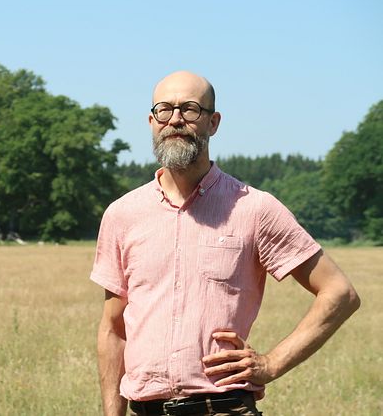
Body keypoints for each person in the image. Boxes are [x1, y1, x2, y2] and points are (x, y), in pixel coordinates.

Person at [91, 71, 360, 416]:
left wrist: (271, 364)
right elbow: (114, 329)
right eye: (165, 110)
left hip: (222, 408)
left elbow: (340, 293)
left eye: (190, 109)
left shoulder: (254, 208)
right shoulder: (122, 214)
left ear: (213, 122)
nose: (176, 119)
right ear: (151, 121)